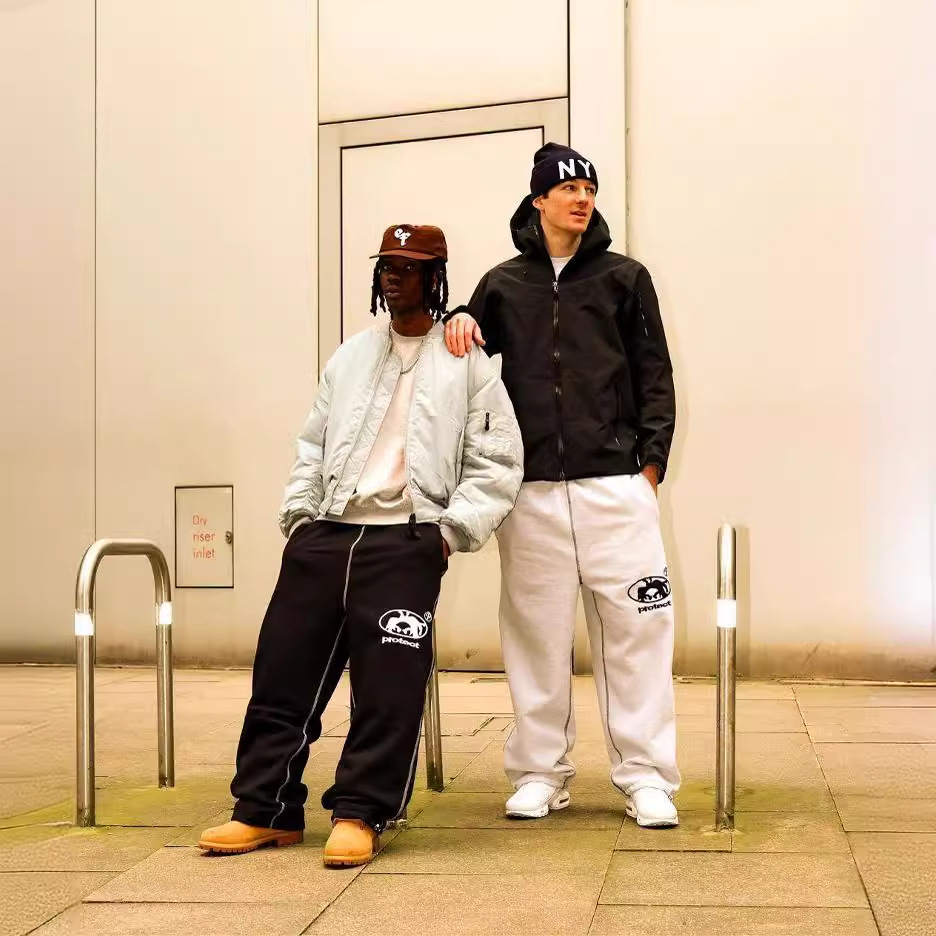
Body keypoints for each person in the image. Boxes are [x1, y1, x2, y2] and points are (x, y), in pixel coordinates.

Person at [199, 224, 523, 865]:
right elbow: (312, 445)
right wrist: (300, 519)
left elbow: (496, 461)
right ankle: (264, 810)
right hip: (326, 536)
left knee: (387, 690)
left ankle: (360, 811)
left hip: (405, 543)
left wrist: (447, 533)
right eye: (387, 267)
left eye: (410, 267)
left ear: (437, 278)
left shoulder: (468, 365)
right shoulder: (349, 356)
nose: (394, 277)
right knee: (282, 676)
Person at [444, 143, 680, 827]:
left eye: (589, 189)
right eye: (569, 188)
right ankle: (540, 773)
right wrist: (458, 313)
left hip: (617, 486)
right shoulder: (502, 284)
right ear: (539, 199)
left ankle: (646, 777)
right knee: (535, 636)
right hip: (532, 491)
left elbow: (655, 374)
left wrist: (649, 467)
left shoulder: (624, 278)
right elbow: (467, 352)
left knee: (638, 632)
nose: (582, 198)